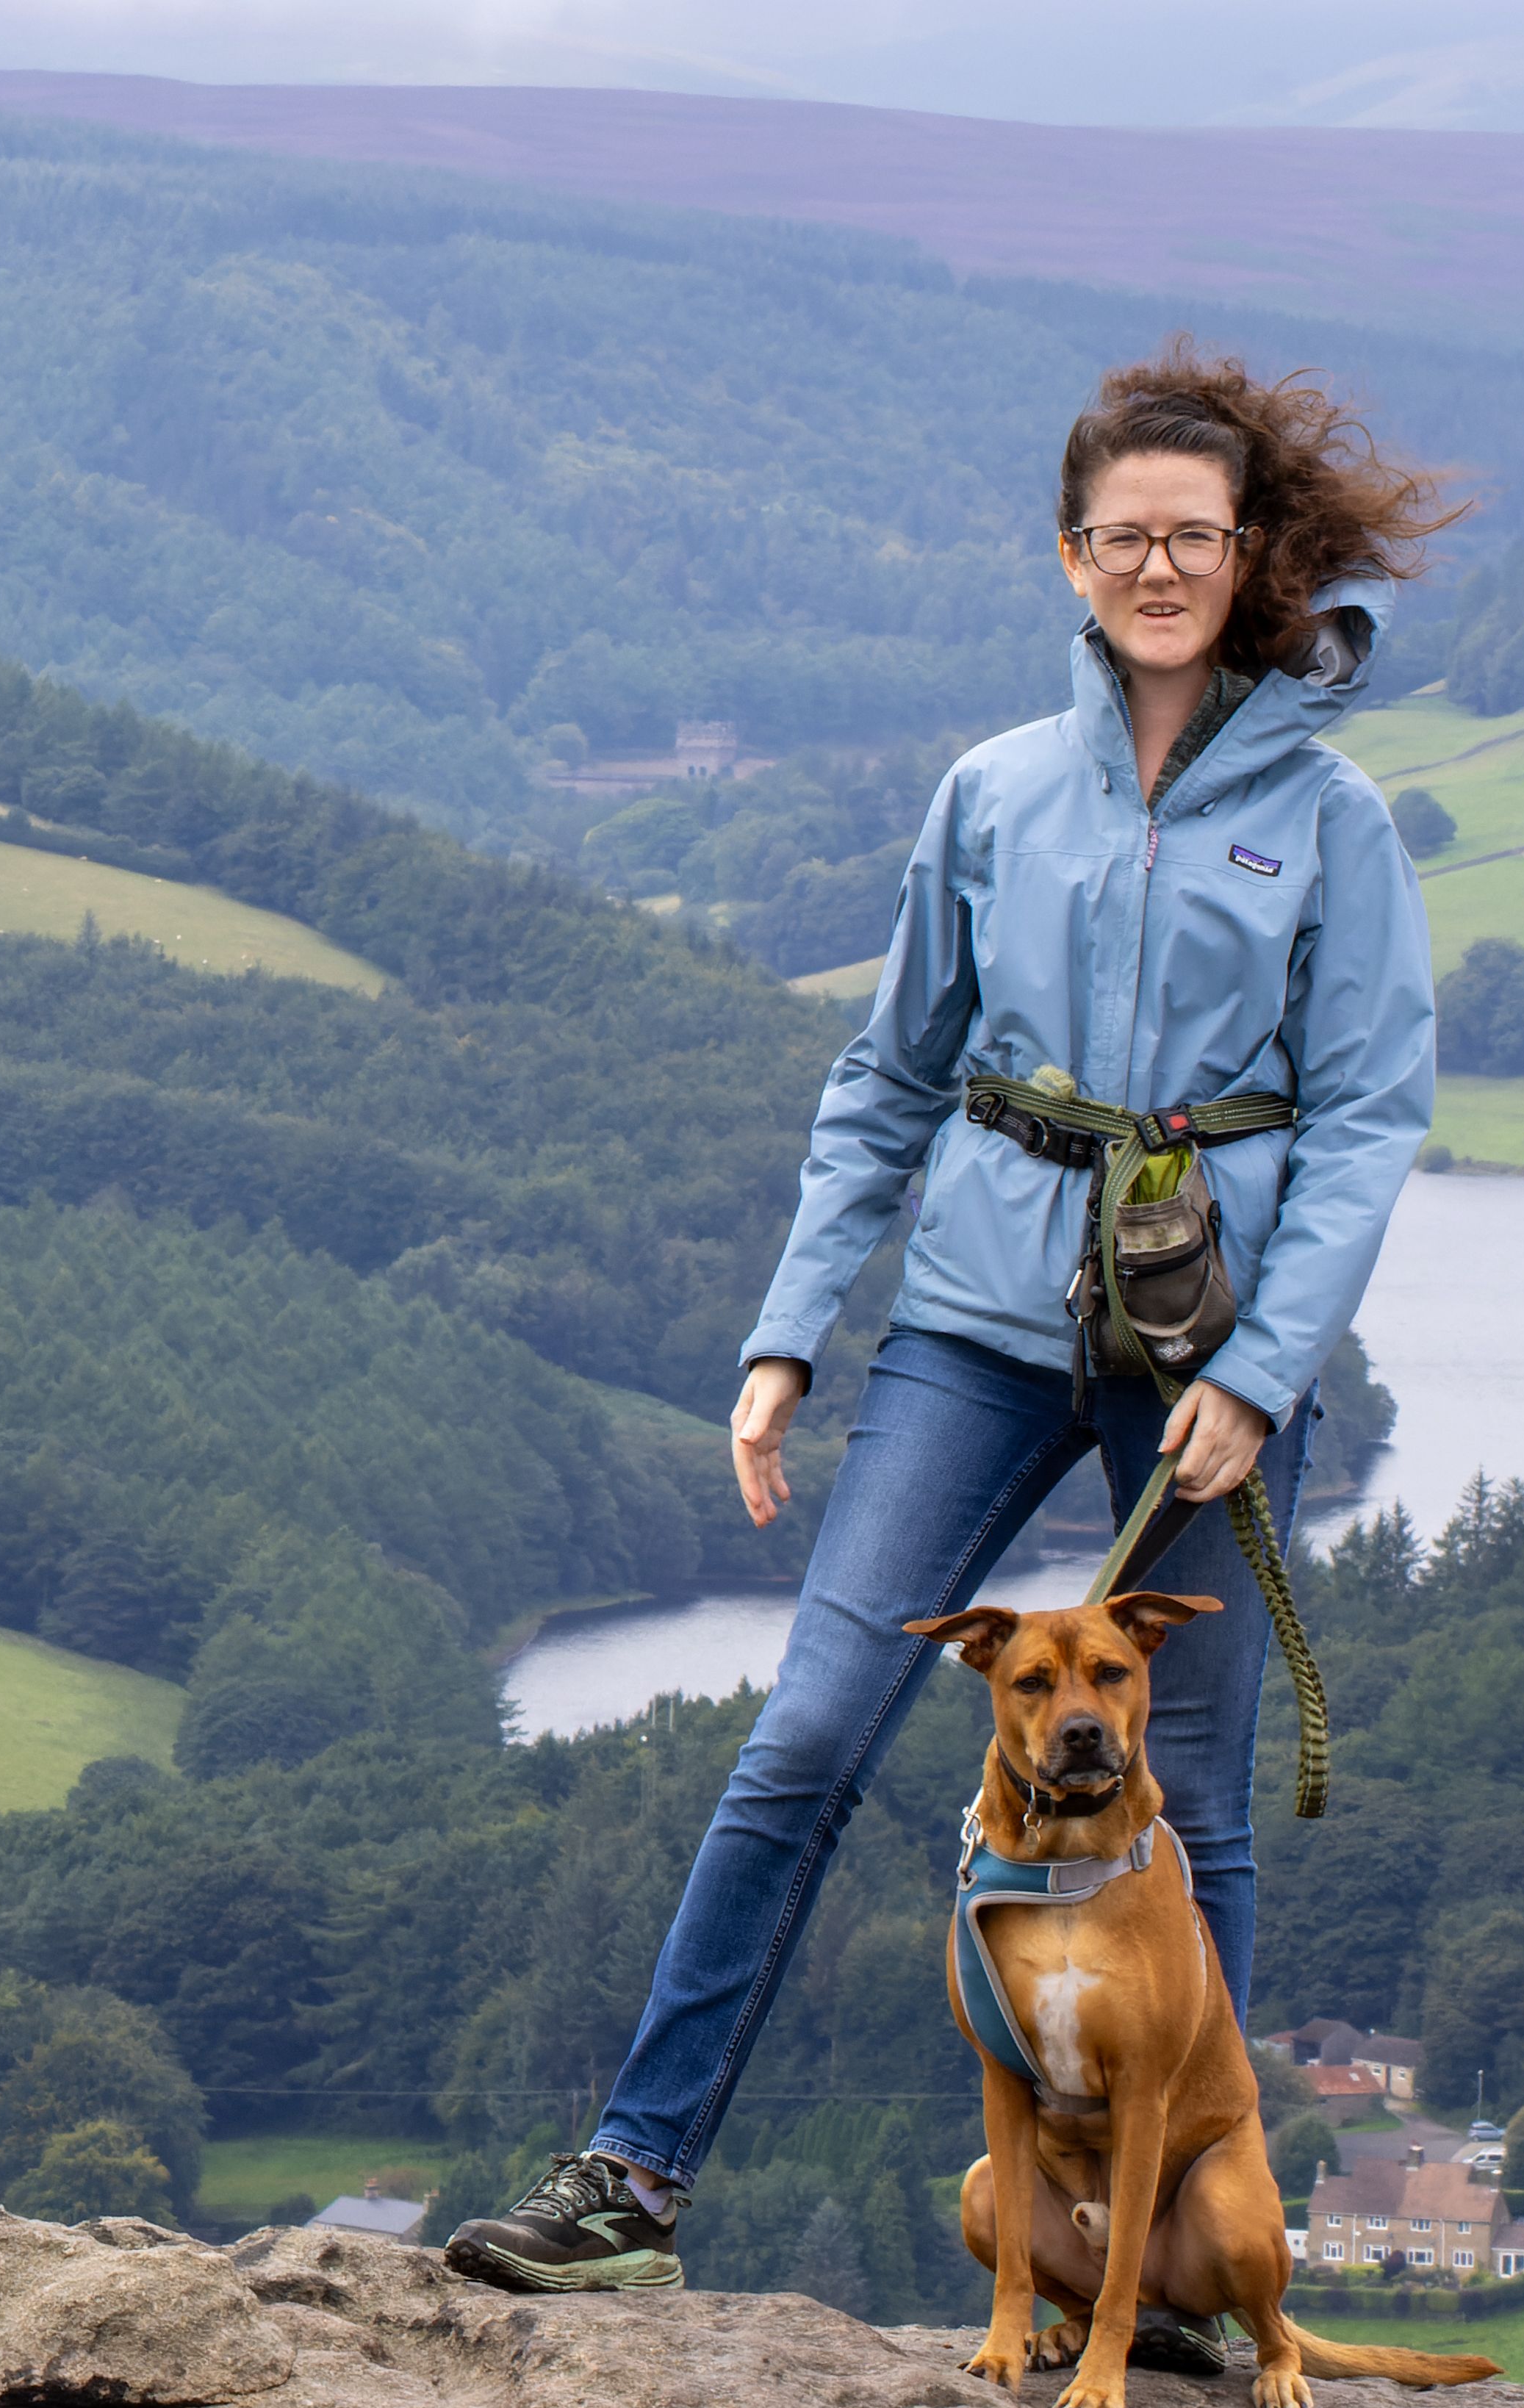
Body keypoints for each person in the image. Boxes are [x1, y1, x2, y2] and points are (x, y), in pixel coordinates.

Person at [447, 348, 1454, 2296]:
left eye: (1193, 536)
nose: (1158, 567)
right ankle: (630, 2181)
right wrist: (786, 1334)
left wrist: (1263, 1372)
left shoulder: (1331, 823)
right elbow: (886, 1076)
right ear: (1070, 556)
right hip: (981, 1324)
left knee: (1201, 1815)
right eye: (1123, 537)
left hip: (1212, 1354)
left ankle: (1176, 2237)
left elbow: (1370, 1118)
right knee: (810, 1730)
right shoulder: (992, 794)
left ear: (1245, 558)